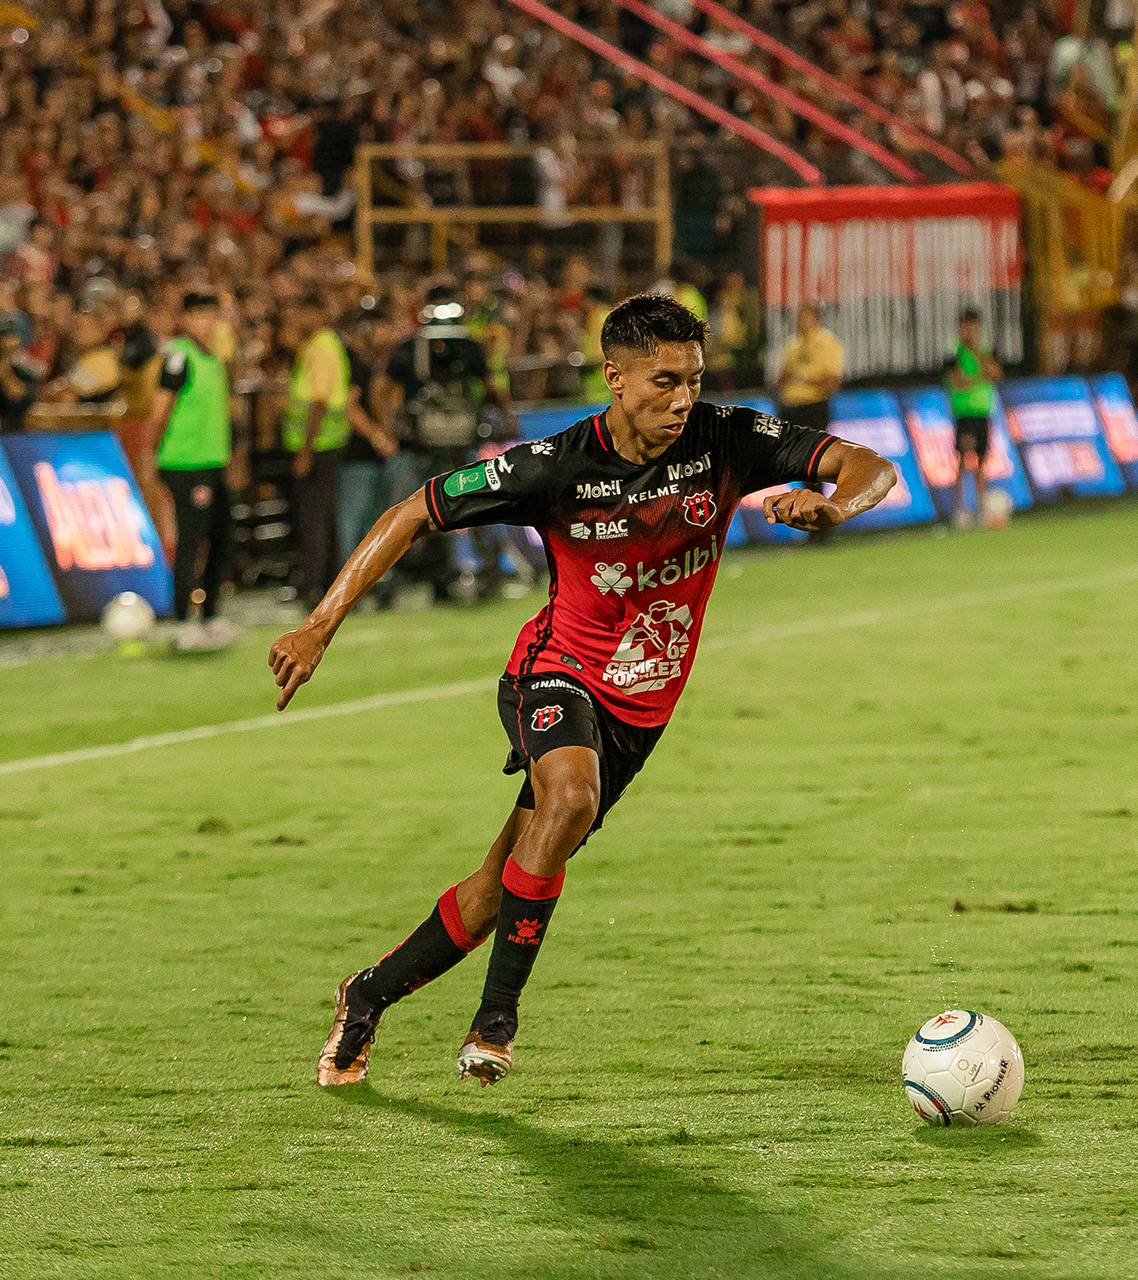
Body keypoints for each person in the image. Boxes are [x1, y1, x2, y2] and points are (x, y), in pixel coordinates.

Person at [280, 294, 897, 1087]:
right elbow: (411, 512)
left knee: (499, 887)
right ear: (613, 376)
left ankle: (364, 994)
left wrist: (834, 503)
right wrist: (319, 627)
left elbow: (870, 466)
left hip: (639, 712)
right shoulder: (556, 465)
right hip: (554, 671)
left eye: (693, 381)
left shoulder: (726, 439)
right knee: (568, 801)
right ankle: (494, 1024)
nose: (681, 401)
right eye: (662, 382)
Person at [377, 287, 516, 601]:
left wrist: (507, 418)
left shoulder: (469, 347)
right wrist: (389, 429)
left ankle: (489, 574)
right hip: (418, 446)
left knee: (475, 504)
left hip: (460, 441)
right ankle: (396, 581)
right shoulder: (412, 348)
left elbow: (489, 386)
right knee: (407, 511)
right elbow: (383, 388)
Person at [147, 293, 237, 644]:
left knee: (221, 538)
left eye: (210, 314)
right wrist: (150, 455)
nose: (205, 322)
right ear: (185, 319)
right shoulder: (179, 356)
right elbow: (160, 407)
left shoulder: (212, 358)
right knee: (190, 540)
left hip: (212, 461)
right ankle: (183, 620)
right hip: (184, 461)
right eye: (198, 315)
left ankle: (211, 614)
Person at [285, 295, 353, 606]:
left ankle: (316, 587)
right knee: (324, 518)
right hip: (326, 444)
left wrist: (305, 451)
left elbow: (319, 401)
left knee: (314, 520)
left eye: (299, 311)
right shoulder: (323, 344)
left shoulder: (321, 347)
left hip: (320, 446)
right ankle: (326, 585)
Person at [338, 307, 404, 610]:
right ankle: (350, 592)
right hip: (356, 455)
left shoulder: (369, 361)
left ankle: (370, 587)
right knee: (354, 524)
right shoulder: (352, 360)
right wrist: (378, 437)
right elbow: (350, 408)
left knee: (369, 523)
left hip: (368, 456)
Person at [943, 307, 1001, 527]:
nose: (969, 331)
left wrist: (979, 367)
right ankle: (960, 511)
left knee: (982, 461)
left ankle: (982, 510)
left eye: (973, 327)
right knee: (962, 460)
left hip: (983, 411)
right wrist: (980, 377)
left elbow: (996, 374)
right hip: (964, 413)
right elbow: (958, 382)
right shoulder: (953, 353)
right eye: (965, 326)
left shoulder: (985, 351)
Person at [773, 304, 844, 435]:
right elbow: (782, 378)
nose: (800, 323)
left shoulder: (828, 343)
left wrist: (801, 379)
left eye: (805, 318)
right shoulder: (792, 344)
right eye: (799, 318)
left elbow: (833, 384)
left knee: (812, 451)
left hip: (813, 408)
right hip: (789, 408)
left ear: (817, 321)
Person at [0, 316, 38, 434]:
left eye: (13, 336)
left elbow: (17, 395)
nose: (9, 341)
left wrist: (5, 366)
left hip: (16, 432)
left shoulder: (24, 368)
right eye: (5, 336)